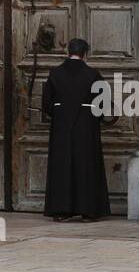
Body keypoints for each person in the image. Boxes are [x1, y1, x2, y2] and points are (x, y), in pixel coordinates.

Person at [42, 37, 111, 222]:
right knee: (86, 167)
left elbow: (46, 104)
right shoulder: (93, 74)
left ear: (68, 52)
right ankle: (88, 211)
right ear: (85, 54)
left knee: (62, 166)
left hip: (61, 129)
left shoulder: (55, 73)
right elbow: (103, 103)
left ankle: (61, 210)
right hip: (86, 128)